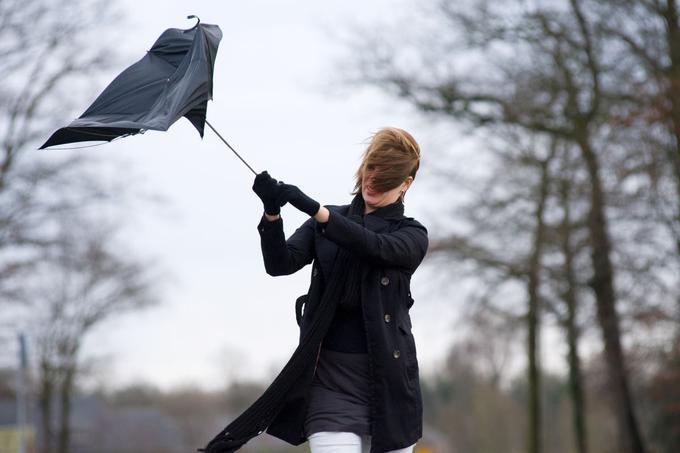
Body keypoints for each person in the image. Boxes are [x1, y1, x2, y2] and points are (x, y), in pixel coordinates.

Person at [251, 127, 428, 453]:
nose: (373, 181)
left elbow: (373, 246)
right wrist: (271, 213)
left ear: (406, 184)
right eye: (370, 170)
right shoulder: (327, 222)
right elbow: (280, 264)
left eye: (386, 177)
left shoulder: (411, 235)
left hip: (389, 389)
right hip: (330, 386)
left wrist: (315, 210)